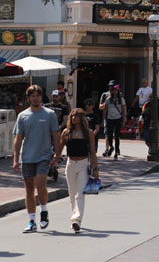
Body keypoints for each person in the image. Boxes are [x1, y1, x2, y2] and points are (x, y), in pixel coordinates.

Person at [13, 85, 60, 233]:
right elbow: (18, 138)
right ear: (28, 98)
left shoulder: (49, 114)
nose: (35, 98)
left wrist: (57, 156)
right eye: (32, 96)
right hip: (27, 156)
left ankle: (44, 211)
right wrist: (15, 158)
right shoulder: (23, 116)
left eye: (38, 95)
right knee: (29, 189)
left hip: (44, 155)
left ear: (41, 97)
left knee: (40, 183)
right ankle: (32, 220)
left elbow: (56, 136)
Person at [51, 108, 98, 232]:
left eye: (76, 116)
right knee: (72, 194)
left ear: (81, 118)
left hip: (83, 164)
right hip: (70, 164)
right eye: (72, 116)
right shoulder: (66, 132)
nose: (73, 118)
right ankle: (73, 219)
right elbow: (60, 149)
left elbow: (92, 152)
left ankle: (77, 219)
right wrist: (55, 159)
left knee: (80, 193)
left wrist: (95, 168)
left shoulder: (88, 133)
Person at [99, 80, 126, 159]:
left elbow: (124, 109)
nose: (114, 91)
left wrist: (124, 119)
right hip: (109, 119)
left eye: (116, 90)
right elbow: (104, 110)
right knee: (109, 135)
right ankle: (111, 146)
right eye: (113, 90)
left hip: (118, 118)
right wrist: (103, 119)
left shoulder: (121, 99)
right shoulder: (108, 99)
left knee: (117, 136)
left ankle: (117, 151)